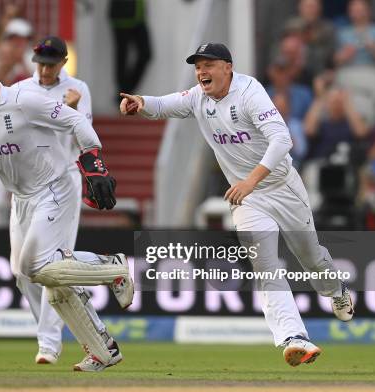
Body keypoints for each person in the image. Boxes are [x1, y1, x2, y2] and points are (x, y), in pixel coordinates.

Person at [119, 42, 354, 367]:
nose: (202, 71)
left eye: (209, 65)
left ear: (228, 67)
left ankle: (335, 288)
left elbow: (282, 139)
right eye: (198, 66)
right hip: (247, 198)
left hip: (282, 187)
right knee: (264, 262)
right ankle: (294, 337)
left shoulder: (249, 92)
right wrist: (140, 102)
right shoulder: (198, 98)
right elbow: (164, 105)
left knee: (310, 257)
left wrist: (250, 180)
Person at [0, 45, 133, 372]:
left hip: (54, 187)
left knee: (39, 266)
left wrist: (94, 164)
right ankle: (103, 349)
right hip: (22, 198)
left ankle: (115, 267)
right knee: (38, 276)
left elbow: (73, 121)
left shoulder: (24, 100)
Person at [12, 36, 92, 364]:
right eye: (41, 63)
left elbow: (84, 133)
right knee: (21, 271)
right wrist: (64, 112)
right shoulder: (19, 90)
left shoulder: (78, 89)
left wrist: (73, 112)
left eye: (51, 64)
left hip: (62, 181)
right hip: (26, 183)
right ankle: (94, 275)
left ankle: (48, 342)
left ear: (62, 63)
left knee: (50, 263)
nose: (45, 70)